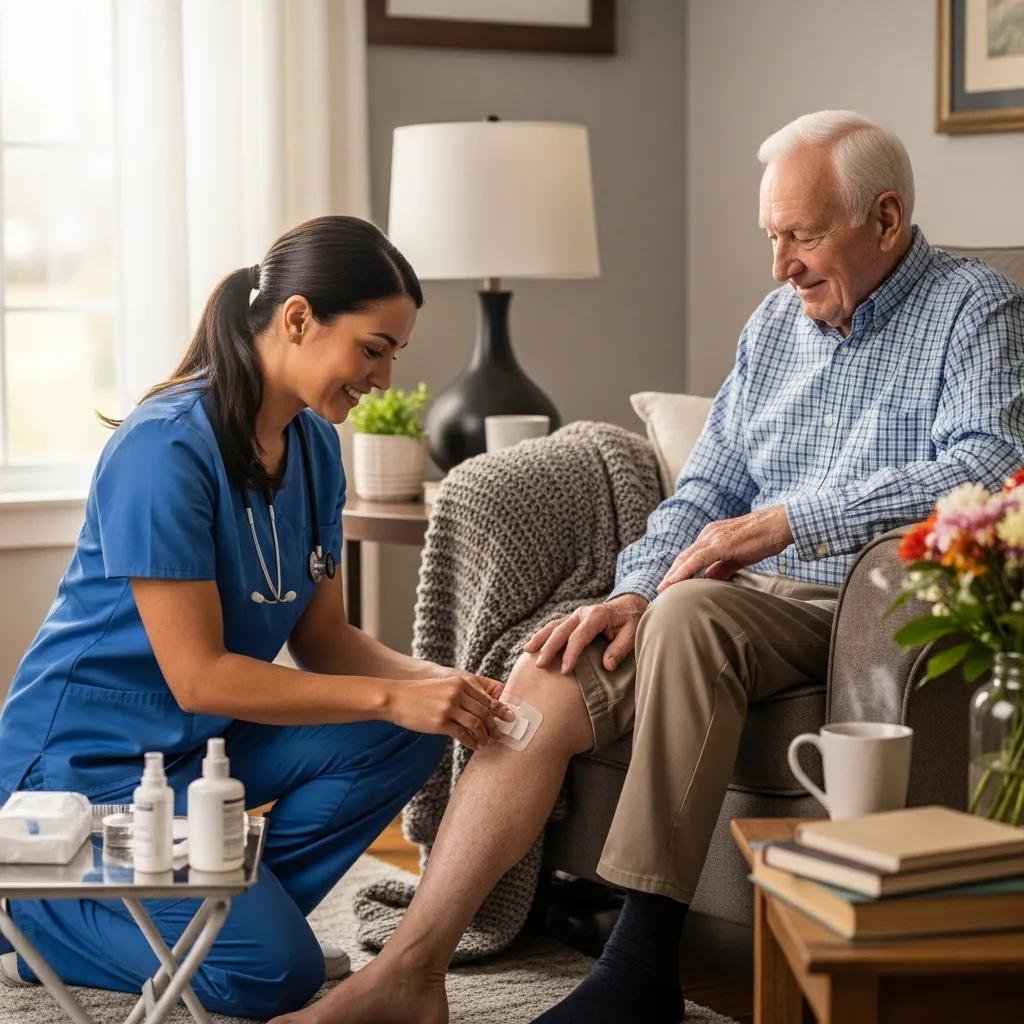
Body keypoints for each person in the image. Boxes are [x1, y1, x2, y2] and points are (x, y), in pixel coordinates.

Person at [268, 112, 1024, 1024]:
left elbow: (991, 467)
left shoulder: (974, 309)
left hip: (858, 603)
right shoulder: (775, 325)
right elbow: (707, 486)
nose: (779, 264)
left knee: (694, 613)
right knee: (546, 670)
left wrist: (788, 521)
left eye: (801, 236)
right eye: (772, 236)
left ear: (887, 218)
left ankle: (642, 961)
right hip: (726, 602)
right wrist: (630, 592)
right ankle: (410, 974)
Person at [0, 215, 517, 1019]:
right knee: (274, 978)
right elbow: (199, 678)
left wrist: (444, 686)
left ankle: (217, 924)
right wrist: (394, 694)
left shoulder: (314, 447)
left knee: (416, 730)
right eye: (373, 348)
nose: (383, 379)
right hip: (87, 768)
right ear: (299, 318)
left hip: (201, 752)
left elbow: (324, 639)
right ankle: (42, 926)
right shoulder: (163, 448)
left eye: (394, 355)